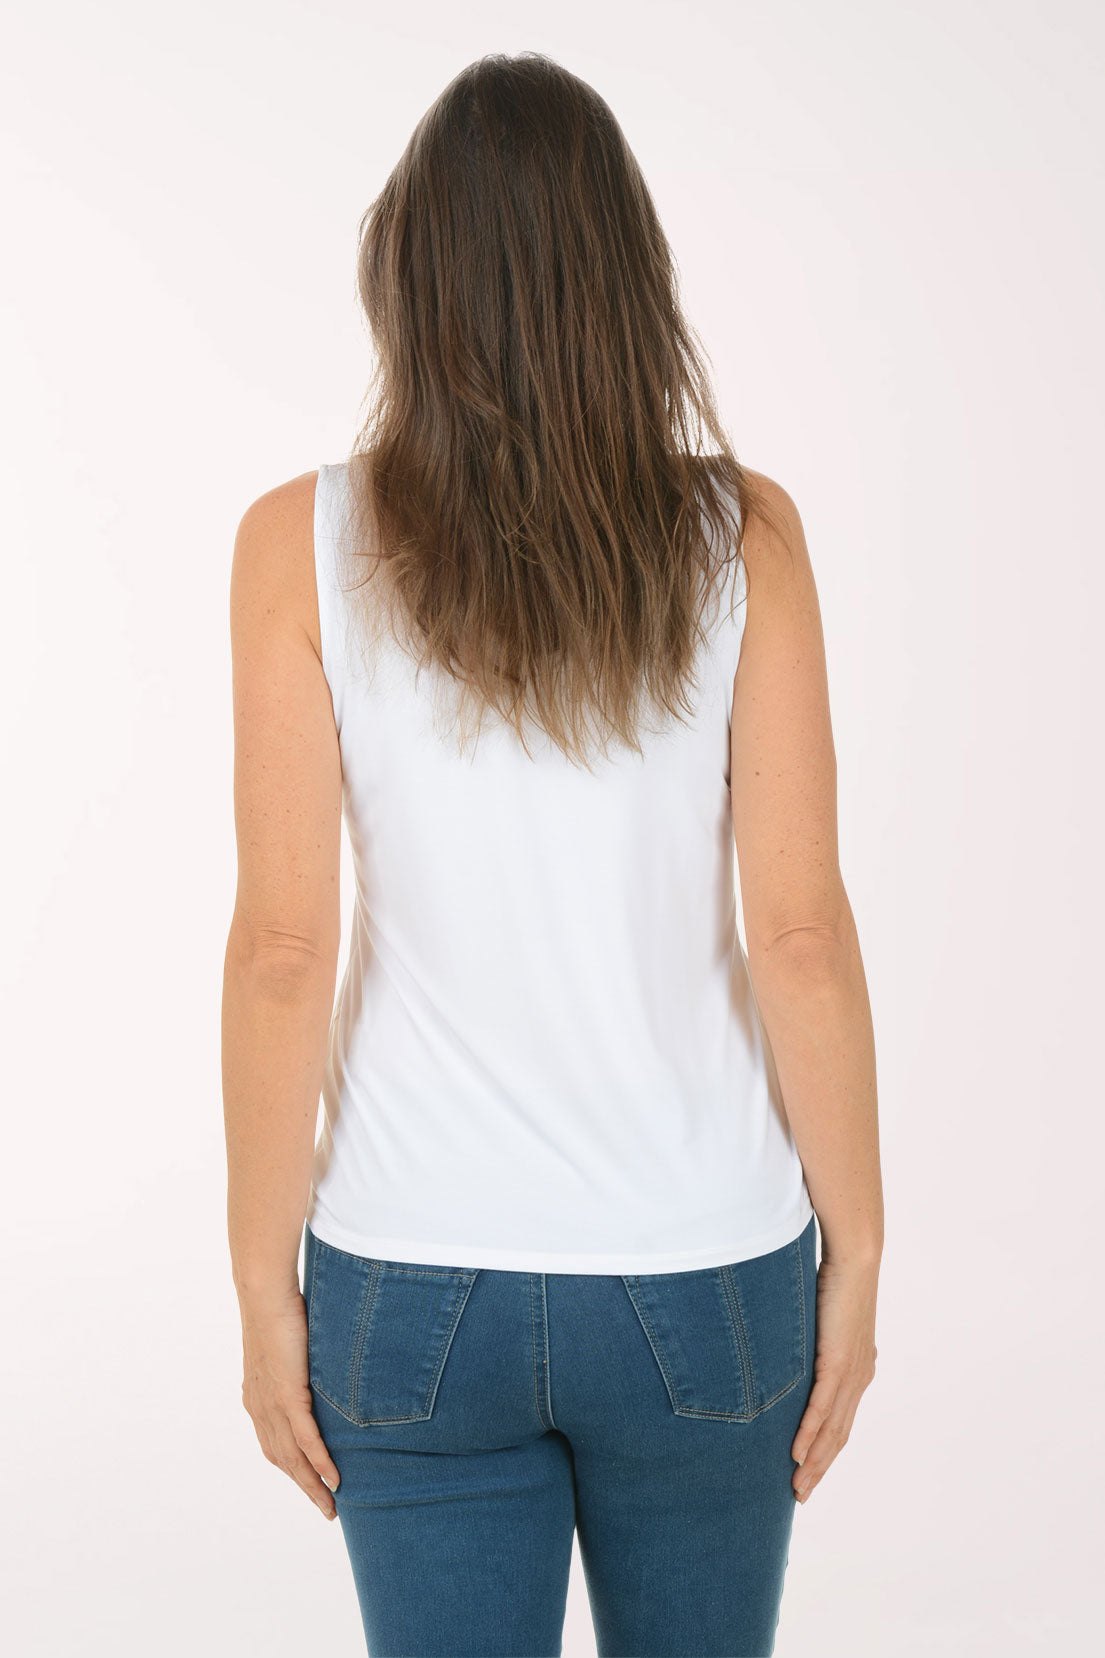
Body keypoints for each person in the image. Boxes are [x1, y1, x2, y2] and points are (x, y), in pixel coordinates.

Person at [221, 50, 882, 1658]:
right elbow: (794, 929)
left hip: (410, 1283)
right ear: (627, 283)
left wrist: (258, 1284)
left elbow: (283, 950)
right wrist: (859, 1243)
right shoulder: (745, 540)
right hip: (702, 1274)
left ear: (409, 275)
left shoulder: (297, 545)